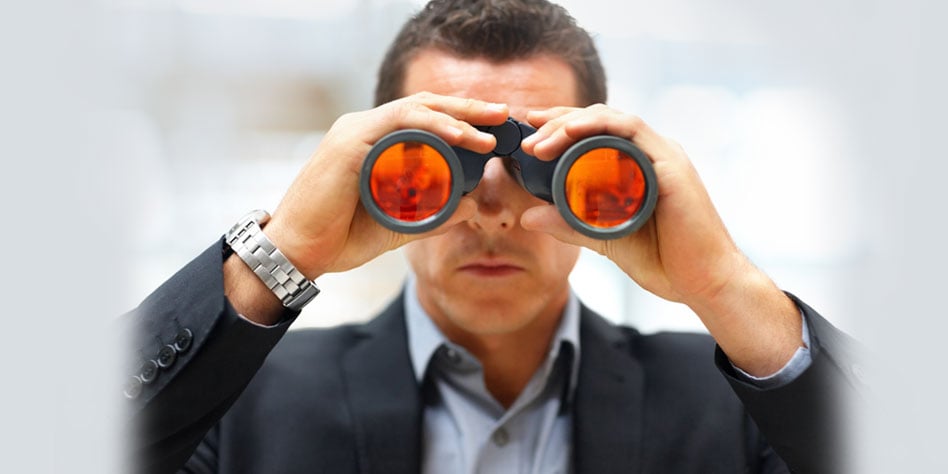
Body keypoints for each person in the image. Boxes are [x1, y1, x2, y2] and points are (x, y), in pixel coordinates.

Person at [123, 0, 861, 472]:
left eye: (548, 165)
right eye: (430, 168)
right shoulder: (243, 400)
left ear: (606, 161)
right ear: (362, 172)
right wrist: (280, 253)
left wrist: (724, 286)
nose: (494, 212)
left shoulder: (732, 405)